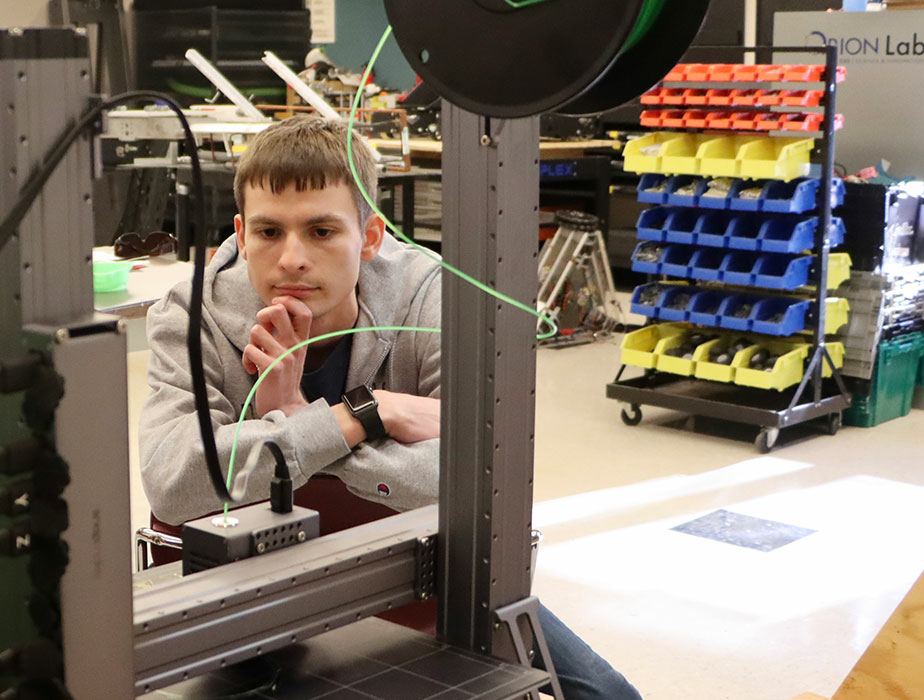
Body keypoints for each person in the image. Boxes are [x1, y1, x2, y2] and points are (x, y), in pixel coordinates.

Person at [139, 116, 640, 700]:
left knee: (607, 695)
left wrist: (291, 433)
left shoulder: (428, 294)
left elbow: (479, 484)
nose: (291, 259)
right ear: (241, 233)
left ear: (370, 237)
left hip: (412, 574)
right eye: (269, 231)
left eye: (322, 231)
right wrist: (360, 416)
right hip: (246, 587)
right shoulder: (190, 312)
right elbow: (173, 482)